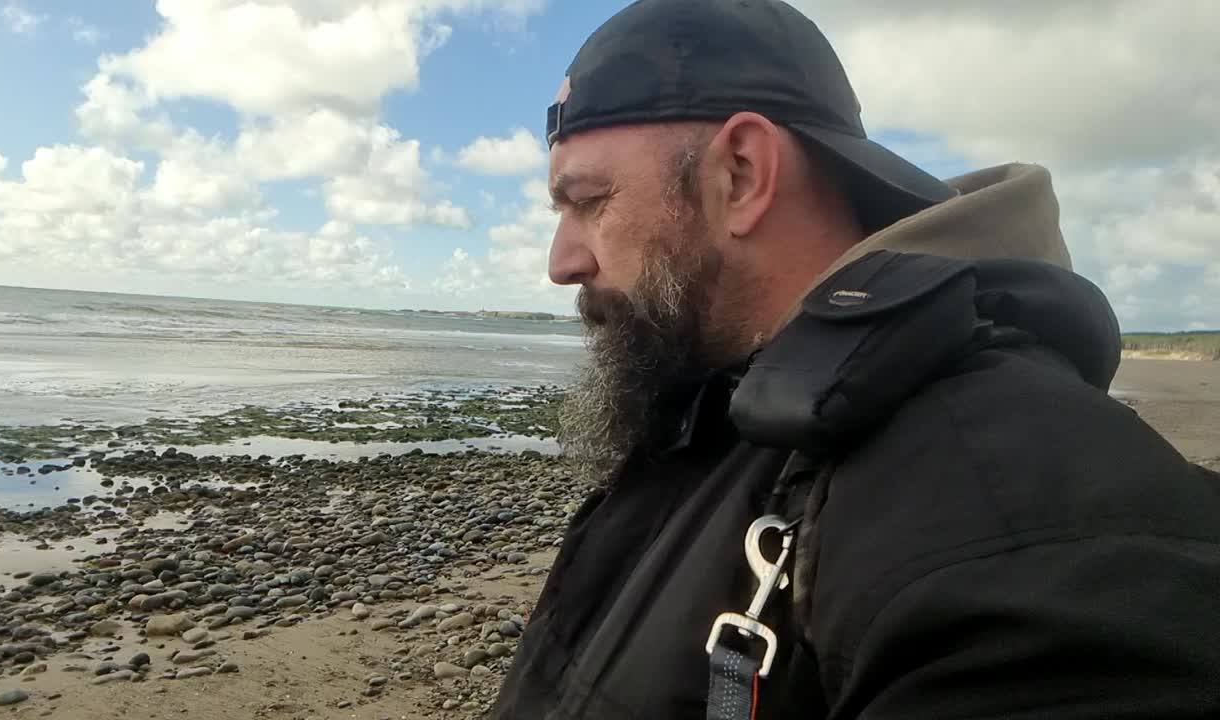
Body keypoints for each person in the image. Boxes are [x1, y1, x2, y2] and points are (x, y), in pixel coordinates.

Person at [491, 1, 1220, 718]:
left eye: (588, 200)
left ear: (740, 175)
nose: (562, 261)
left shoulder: (1008, 491)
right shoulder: (718, 408)